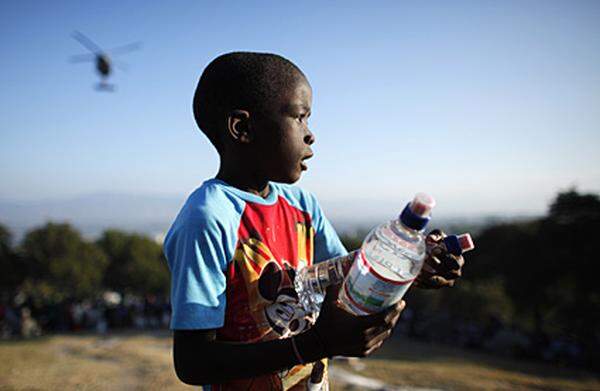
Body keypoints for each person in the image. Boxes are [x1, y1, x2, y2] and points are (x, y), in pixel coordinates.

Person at [164, 52, 465, 390]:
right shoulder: (207, 218)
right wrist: (316, 345)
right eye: (300, 117)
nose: (311, 135)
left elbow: (348, 275)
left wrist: (408, 265)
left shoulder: (302, 205)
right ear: (243, 128)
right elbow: (193, 362)